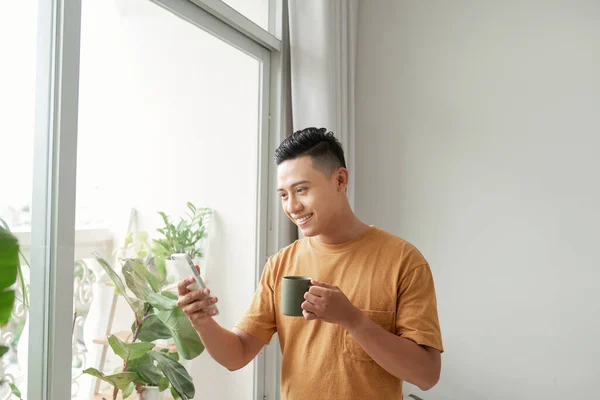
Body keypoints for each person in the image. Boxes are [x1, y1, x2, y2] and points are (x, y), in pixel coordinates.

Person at [177, 127, 443, 399]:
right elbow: (238, 355)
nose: (292, 206)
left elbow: (426, 375)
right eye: (283, 195)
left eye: (301, 190)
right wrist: (202, 321)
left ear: (340, 180)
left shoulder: (403, 261)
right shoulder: (281, 264)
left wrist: (353, 320)